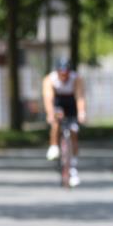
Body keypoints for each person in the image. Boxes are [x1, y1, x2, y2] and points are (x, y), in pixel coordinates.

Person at [43, 58, 86, 187]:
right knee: (56, 121)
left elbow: (80, 97)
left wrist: (82, 112)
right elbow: (48, 98)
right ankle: (54, 146)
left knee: (73, 131)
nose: (64, 75)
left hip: (71, 102)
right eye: (61, 73)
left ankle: (73, 166)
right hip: (58, 102)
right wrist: (50, 114)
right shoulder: (50, 79)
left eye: (66, 73)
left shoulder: (76, 78)